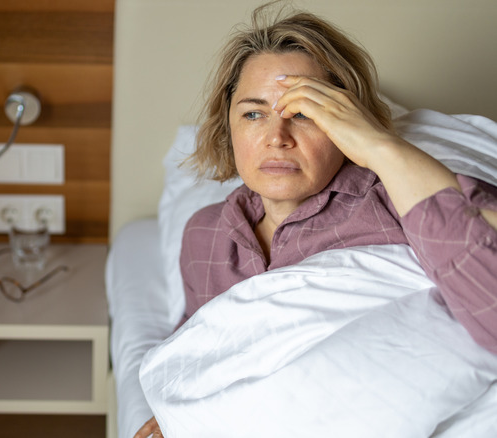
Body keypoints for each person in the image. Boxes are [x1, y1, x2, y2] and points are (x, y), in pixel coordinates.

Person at [135, 2, 497, 437]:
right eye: (253, 113)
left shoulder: (399, 195)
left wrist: (381, 148)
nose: (276, 138)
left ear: (346, 123)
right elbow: (202, 344)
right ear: (227, 128)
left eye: (304, 113)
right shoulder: (205, 234)